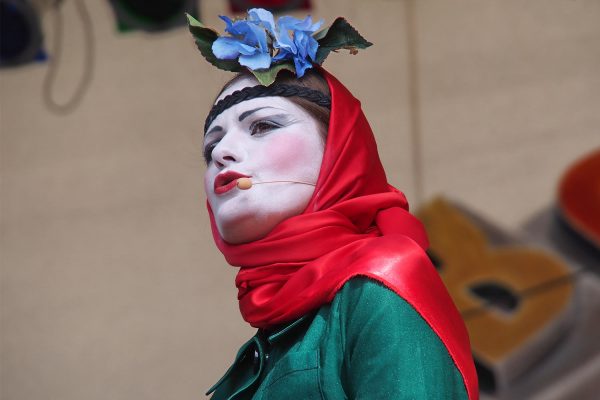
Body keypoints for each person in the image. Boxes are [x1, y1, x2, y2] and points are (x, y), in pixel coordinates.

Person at [190, 10, 478, 400]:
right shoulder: (274, 331)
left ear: (340, 153)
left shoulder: (382, 283)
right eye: (210, 148)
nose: (222, 152)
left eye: (262, 125)